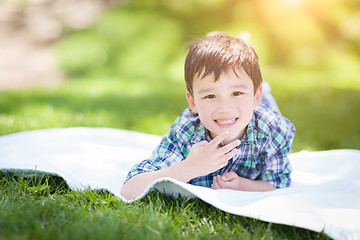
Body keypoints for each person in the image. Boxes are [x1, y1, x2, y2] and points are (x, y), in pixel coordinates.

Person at [121, 31, 295, 200]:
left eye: (236, 93)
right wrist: (190, 167)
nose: (224, 109)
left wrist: (242, 185)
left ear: (254, 96)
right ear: (193, 103)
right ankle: (222, 45)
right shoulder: (187, 131)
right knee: (234, 77)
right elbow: (129, 189)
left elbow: (277, 184)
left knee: (265, 97)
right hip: (248, 103)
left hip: (261, 107)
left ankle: (240, 46)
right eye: (210, 96)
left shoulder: (271, 130)